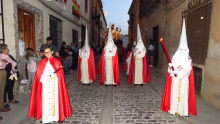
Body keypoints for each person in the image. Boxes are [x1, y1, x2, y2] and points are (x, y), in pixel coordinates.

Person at [160, 19, 197, 117]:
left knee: (184, 95)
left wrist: (180, 72)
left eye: (184, 49)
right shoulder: (175, 58)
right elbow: (171, 70)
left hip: (184, 80)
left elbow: (188, 69)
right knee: (174, 94)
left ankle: (184, 112)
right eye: (181, 49)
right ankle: (173, 110)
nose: (182, 51)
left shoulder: (188, 60)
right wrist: (171, 68)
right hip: (176, 80)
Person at [28, 45, 72, 123]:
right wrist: (44, 77)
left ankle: (57, 117)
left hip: (54, 85)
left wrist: (53, 76)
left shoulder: (57, 61)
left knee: (55, 100)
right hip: (45, 85)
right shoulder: (42, 62)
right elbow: (38, 75)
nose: (47, 54)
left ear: (52, 52)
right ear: (44, 54)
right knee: (45, 101)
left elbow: (60, 75)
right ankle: (47, 118)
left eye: (49, 52)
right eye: (45, 53)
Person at [0, 44, 12, 120]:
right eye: (7, 48)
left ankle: (1, 107)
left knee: (2, 91)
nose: (8, 49)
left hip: (3, 72)